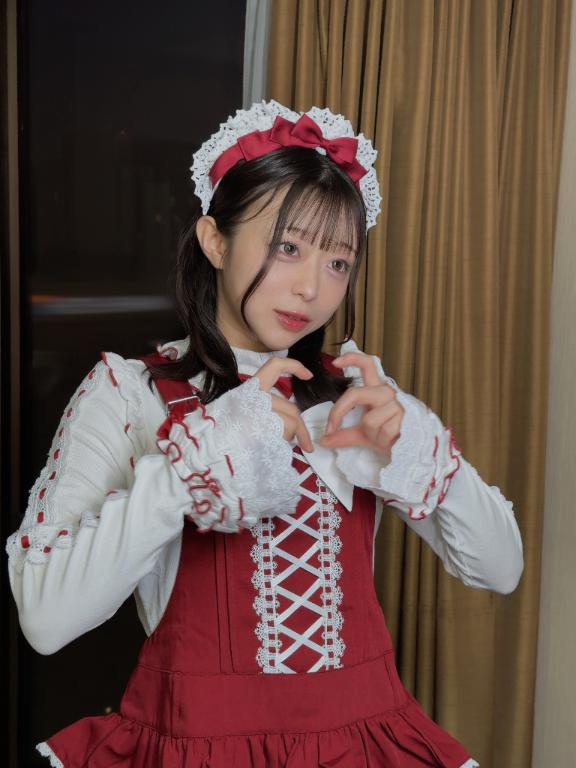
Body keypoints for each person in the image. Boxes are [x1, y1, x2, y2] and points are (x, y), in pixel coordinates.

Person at [6, 99, 523, 767]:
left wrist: (419, 448)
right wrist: (191, 469)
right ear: (215, 240)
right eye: (288, 247)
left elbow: (500, 568)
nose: (312, 288)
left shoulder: (355, 396)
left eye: (338, 262)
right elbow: (46, 619)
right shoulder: (131, 395)